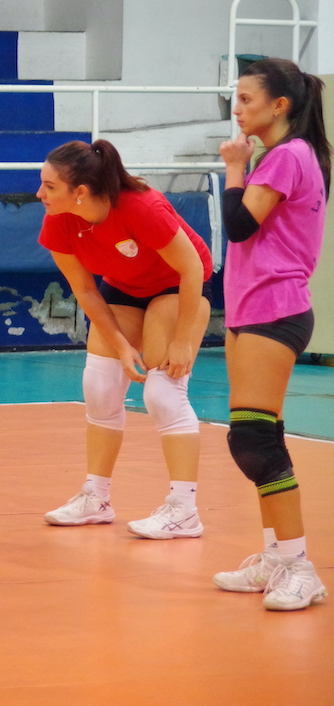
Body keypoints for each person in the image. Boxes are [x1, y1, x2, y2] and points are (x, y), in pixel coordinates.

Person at [37, 139, 213, 538]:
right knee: (99, 386)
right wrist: (120, 345)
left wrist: (182, 340)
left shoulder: (141, 207)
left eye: (49, 186)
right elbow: (85, 291)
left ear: (80, 192)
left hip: (179, 285)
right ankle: (95, 498)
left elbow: (191, 268)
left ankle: (184, 509)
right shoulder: (59, 220)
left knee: (163, 393)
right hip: (124, 288)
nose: (39, 194)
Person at [213, 58, 330, 611]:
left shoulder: (287, 156)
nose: (237, 109)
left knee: (253, 440)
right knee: (259, 438)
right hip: (249, 310)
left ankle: (300, 566)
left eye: (246, 99)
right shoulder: (282, 156)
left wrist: (234, 168)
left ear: (279, 105)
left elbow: (240, 226)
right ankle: (276, 558)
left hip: (275, 309)